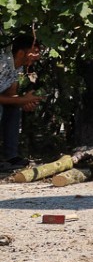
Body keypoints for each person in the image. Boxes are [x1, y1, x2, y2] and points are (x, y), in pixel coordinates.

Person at [0, 29, 43, 167]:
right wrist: (21, 100)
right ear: (20, 53)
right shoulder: (2, 63)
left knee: (14, 109)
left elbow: (10, 95)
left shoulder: (17, 68)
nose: (37, 56)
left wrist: (22, 102)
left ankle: (10, 157)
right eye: (34, 52)